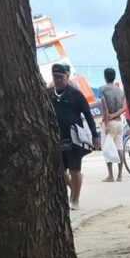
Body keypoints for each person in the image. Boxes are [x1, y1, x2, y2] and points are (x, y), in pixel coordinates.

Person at [48, 62, 99, 211]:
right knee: (59, 169)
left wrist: (95, 136)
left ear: (66, 77)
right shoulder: (48, 94)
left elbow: (88, 115)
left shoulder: (76, 94)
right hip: (56, 138)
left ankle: (75, 199)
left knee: (74, 169)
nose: (58, 80)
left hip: (74, 137)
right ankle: (73, 188)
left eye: (61, 77)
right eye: (55, 77)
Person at [99, 67, 125, 183]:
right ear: (114, 77)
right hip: (119, 122)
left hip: (109, 122)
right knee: (119, 148)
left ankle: (110, 175)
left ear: (105, 77)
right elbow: (124, 108)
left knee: (107, 147)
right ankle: (120, 175)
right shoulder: (120, 91)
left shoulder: (102, 89)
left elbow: (105, 107)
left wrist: (106, 122)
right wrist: (115, 114)